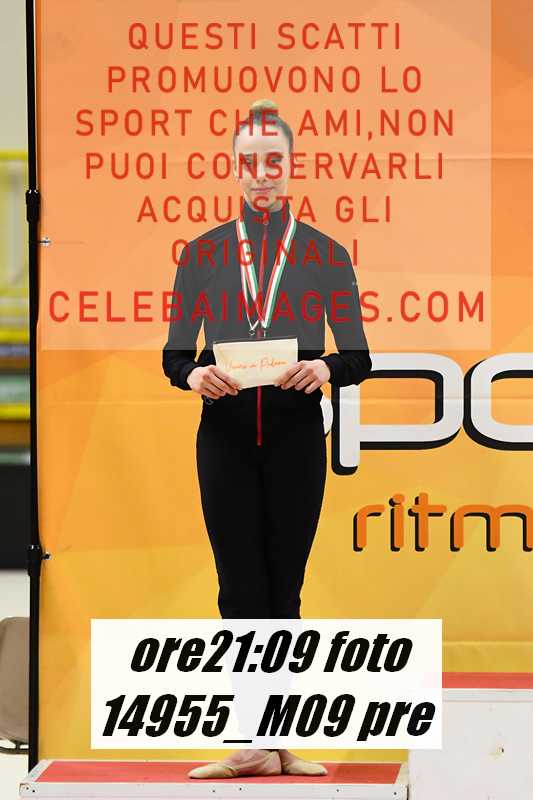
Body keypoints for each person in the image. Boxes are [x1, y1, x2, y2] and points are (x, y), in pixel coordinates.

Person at [162, 98, 372, 779]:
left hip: (294, 441)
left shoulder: (325, 254)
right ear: (234, 168)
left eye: (273, 160)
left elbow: (359, 356)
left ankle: (279, 741)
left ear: (290, 165)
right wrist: (194, 375)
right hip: (223, 441)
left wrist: (326, 368)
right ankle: (250, 742)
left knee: (286, 591)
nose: (262, 173)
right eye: (249, 162)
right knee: (237, 591)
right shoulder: (201, 255)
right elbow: (174, 355)